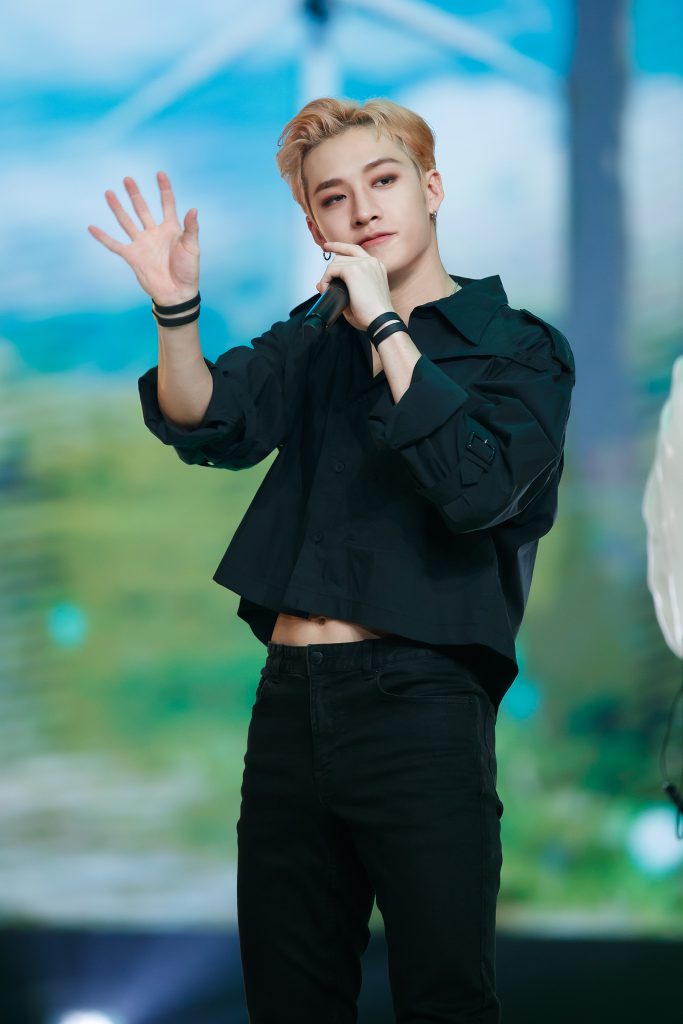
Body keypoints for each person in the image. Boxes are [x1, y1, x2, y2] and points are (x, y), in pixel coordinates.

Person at [89, 96, 575, 1024]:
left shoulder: (518, 347)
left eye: (383, 180)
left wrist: (386, 325)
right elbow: (207, 419)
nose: (362, 209)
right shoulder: (311, 339)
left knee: (443, 996)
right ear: (315, 226)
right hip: (288, 703)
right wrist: (175, 310)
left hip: (420, 700)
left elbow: (478, 489)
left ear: (431, 188)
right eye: (333, 197)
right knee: (290, 997)